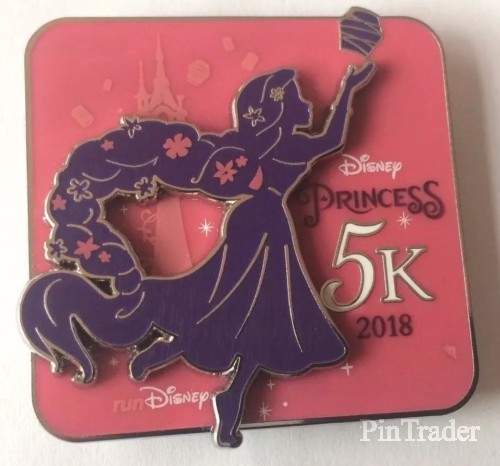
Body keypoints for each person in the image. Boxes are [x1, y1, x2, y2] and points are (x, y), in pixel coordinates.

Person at [20, 62, 375, 446]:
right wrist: (348, 91)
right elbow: (331, 139)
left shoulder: (278, 147)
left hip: (267, 225)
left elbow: (332, 139)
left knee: (257, 309)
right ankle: (180, 348)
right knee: (240, 303)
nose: (307, 104)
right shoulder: (269, 150)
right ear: (278, 109)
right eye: (299, 98)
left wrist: (349, 90)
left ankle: (219, 384)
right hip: (258, 226)